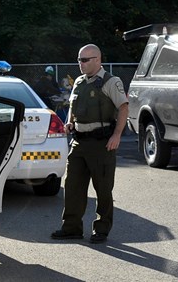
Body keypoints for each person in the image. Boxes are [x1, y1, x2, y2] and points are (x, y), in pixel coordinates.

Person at [51, 44, 128, 244]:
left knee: (103, 188)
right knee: (72, 186)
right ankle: (71, 228)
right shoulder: (78, 81)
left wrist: (117, 135)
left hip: (101, 143)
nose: (81, 64)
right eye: (79, 60)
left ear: (98, 60)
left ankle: (101, 229)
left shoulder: (111, 82)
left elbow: (123, 107)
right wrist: (70, 121)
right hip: (79, 142)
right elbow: (72, 105)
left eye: (85, 60)